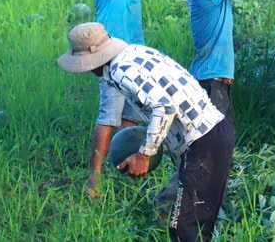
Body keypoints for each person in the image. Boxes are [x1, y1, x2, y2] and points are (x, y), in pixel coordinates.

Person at [57, 22, 233, 242]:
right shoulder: (134, 54)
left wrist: (144, 154)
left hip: (204, 142)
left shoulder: (121, 71)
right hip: (208, 135)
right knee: (167, 206)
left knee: (185, 229)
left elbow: (164, 107)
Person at [79, 0, 198, 198]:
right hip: (108, 50)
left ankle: (124, 170)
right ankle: (93, 179)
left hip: (132, 46)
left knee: (132, 114)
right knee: (110, 114)